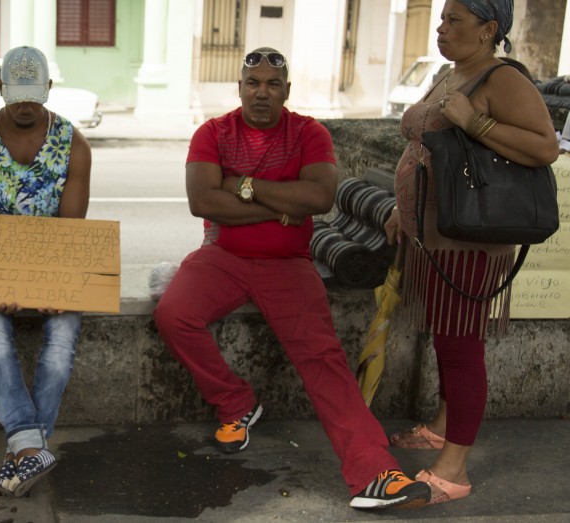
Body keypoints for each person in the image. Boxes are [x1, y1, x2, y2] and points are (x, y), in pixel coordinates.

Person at [153, 47, 431, 510]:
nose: (262, 92)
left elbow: (320, 197)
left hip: (289, 264)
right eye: (253, 83)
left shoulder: (309, 133)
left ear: (286, 91)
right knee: (173, 314)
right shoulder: (213, 133)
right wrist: (282, 208)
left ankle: (375, 473)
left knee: (323, 357)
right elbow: (203, 202)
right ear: (239, 87)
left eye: (272, 85)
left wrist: (241, 186)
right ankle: (236, 403)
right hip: (221, 256)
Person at [384, 0, 558, 504]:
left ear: (488, 30)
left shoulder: (503, 78)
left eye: (454, 20)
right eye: (442, 18)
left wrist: (477, 121)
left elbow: (544, 147)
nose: (441, 28)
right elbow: (428, 144)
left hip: (468, 239)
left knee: (461, 348)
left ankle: (453, 470)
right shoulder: (449, 73)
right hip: (431, 232)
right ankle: (441, 426)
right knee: (446, 339)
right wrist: (402, 207)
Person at [0, 46, 92, 497]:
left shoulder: (74, 144)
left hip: (57, 263)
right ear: (0, 89)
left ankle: (23, 451)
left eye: (34, 93)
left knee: (61, 345)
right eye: (17, 94)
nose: (26, 103)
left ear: (49, 89)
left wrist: (56, 284)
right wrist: (3, 285)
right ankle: (31, 446)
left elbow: (72, 232)